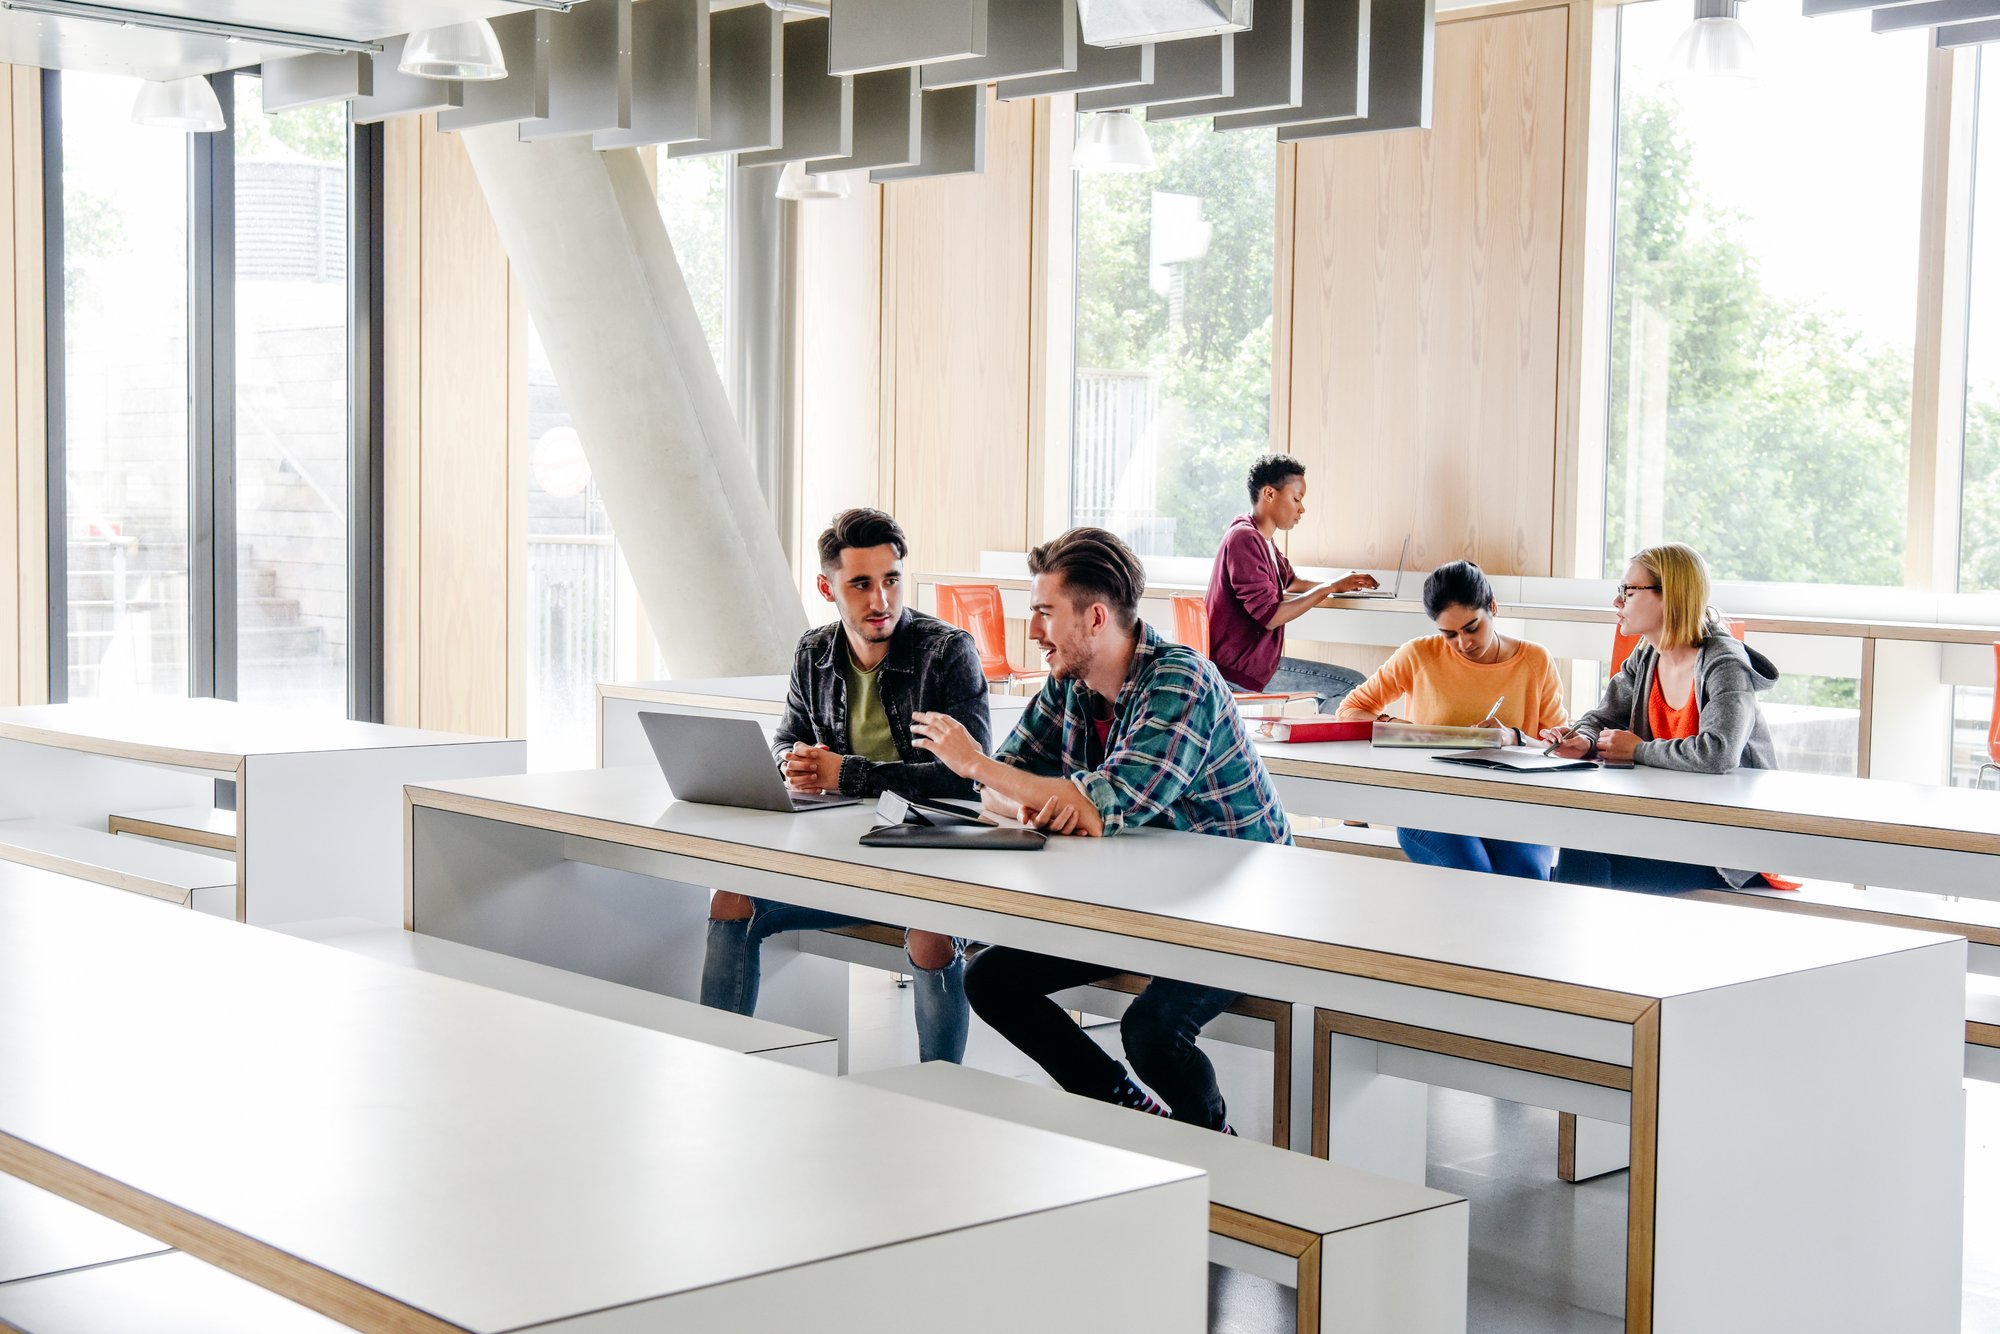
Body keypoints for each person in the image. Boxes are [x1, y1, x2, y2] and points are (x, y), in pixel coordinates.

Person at [910, 527, 1289, 1133]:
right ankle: (1120, 1102)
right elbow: (1006, 788)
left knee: (1152, 1031)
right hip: (1145, 899)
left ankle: (1217, 1146)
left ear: (1094, 617)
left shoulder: (1181, 682)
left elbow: (1092, 806)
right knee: (992, 979)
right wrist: (1038, 798)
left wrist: (986, 768)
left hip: (1240, 909)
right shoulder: (1069, 685)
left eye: (1043, 613)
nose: (1033, 632)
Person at [700, 508, 989, 1063]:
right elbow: (786, 737)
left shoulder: (946, 652)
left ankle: (943, 1090)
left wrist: (846, 772)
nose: (880, 600)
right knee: (731, 898)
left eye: (891, 580)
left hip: (927, 864)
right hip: (840, 864)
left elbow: (966, 776)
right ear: (826, 587)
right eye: (861, 584)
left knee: (930, 932)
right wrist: (793, 762)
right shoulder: (814, 652)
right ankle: (720, 1064)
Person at [1542, 542, 1782, 893]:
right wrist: (1583, 739)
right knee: (1581, 842)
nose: (1617, 602)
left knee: (1586, 857)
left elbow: (1719, 752)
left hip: (1726, 849)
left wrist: (1637, 750)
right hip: (1669, 828)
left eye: (1628, 591)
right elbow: (1601, 716)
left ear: (1670, 595)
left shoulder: (1723, 662)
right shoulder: (1647, 655)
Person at [1335, 561, 1568, 879]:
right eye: (1449, 634)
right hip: (1430, 801)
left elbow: (1556, 745)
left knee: (1525, 876)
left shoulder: (1535, 661)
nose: (1464, 643)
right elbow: (1349, 710)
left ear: (1493, 608)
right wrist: (1391, 722)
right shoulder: (1418, 655)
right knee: (1473, 875)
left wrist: (1514, 737)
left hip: (1511, 804)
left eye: (1472, 627)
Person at [1204, 453, 1378, 711]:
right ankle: (1322, 751)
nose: (1301, 508)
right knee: (1352, 685)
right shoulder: (1244, 539)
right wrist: (1329, 588)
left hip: (1248, 662)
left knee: (1348, 687)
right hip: (1239, 668)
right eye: (1296, 498)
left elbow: (1292, 581)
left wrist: (1341, 582)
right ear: (1269, 494)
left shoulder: (1261, 539)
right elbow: (1271, 616)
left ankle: (1319, 744)